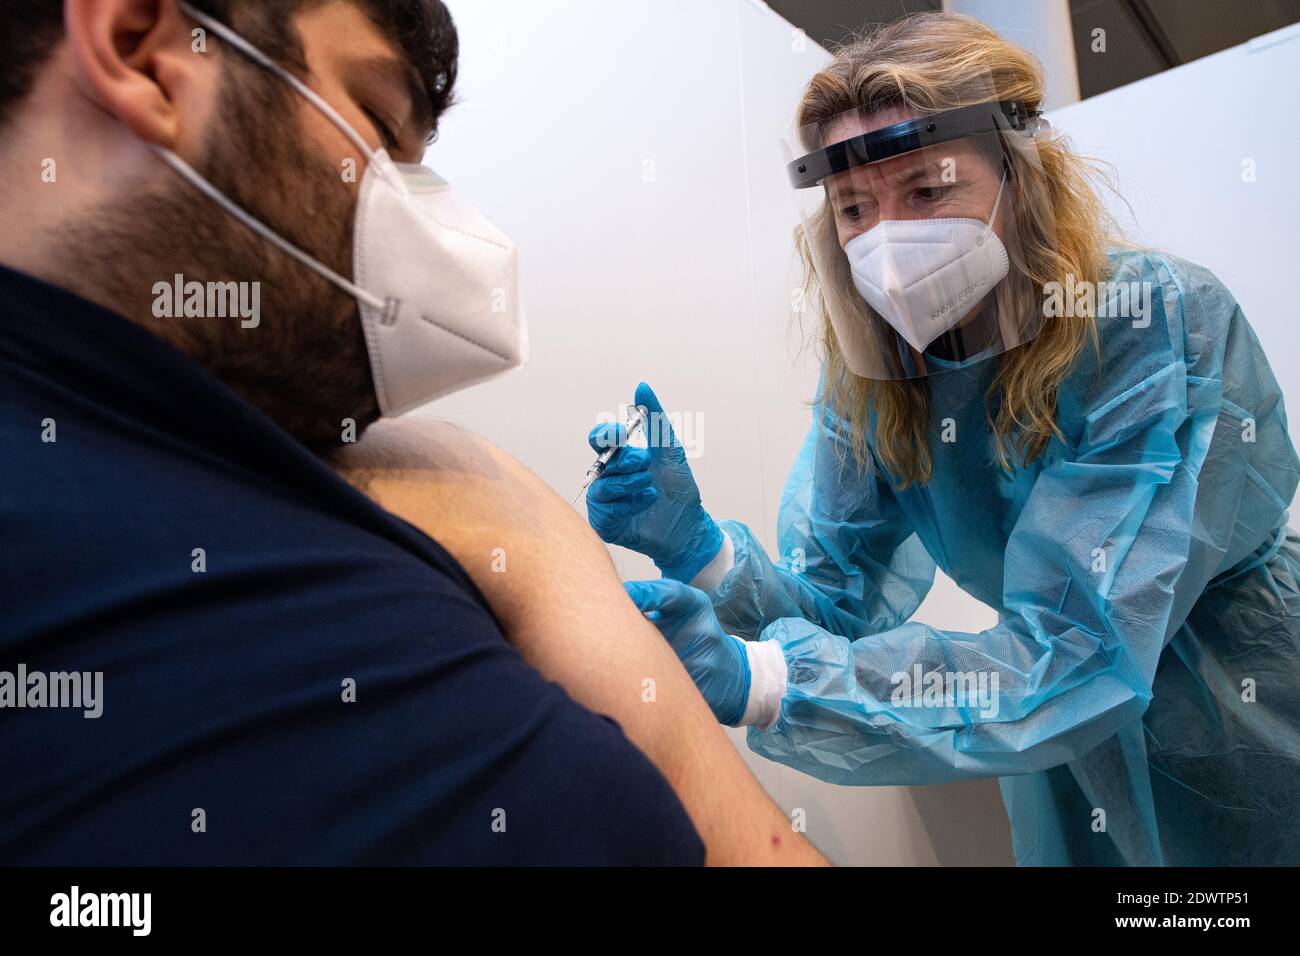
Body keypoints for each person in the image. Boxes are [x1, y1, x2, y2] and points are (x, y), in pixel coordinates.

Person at [0, 0, 824, 866]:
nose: (428, 228)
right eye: (382, 122)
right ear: (141, 46)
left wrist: (696, 575)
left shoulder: (444, 489)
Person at [585, 12, 1300, 866]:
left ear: (1019, 177)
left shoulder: (1149, 328)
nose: (887, 240)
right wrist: (702, 556)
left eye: (926, 190)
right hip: (1047, 743)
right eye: (854, 207)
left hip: (1235, 708)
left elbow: (1079, 646)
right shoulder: (880, 380)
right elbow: (833, 604)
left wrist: (772, 682)